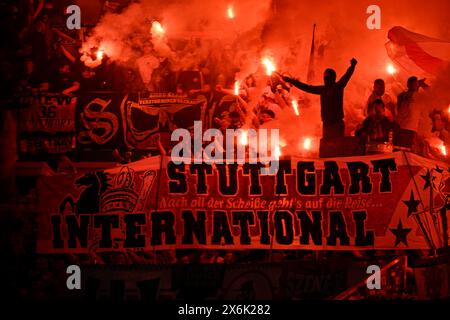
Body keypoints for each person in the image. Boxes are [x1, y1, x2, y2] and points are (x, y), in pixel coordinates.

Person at [281, 58, 357, 138]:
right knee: (327, 147)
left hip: (336, 124)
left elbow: (347, 75)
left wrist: (352, 66)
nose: (325, 79)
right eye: (325, 77)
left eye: (327, 77)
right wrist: (291, 81)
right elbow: (306, 87)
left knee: (336, 146)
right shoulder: (323, 89)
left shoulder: (337, 87)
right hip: (326, 124)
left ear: (332, 77)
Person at [396, 76, 429, 149]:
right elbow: (432, 93)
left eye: (416, 84)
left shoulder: (402, 95)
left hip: (405, 127)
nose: (416, 86)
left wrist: (421, 84)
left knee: (401, 149)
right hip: (406, 127)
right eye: (414, 84)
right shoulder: (413, 96)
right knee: (403, 149)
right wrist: (422, 84)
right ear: (408, 85)